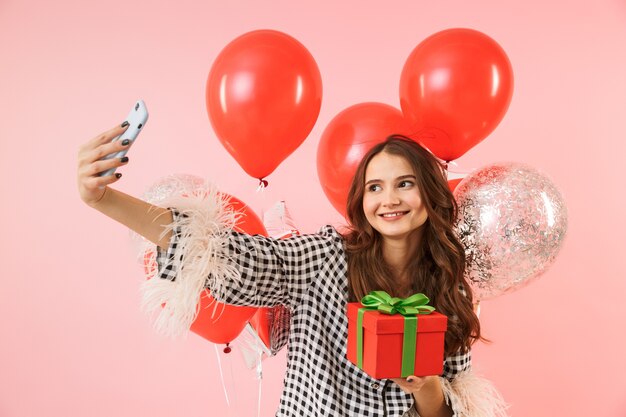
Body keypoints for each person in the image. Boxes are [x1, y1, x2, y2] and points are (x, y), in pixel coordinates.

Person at [77, 122, 507, 417]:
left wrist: (426, 388)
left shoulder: (452, 290)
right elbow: (229, 254)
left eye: (405, 183)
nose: (388, 199)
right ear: (361, 201)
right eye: (375, 187)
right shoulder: (323, 258)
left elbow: (449, 404)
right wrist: (103, 200)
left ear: (429, 195)